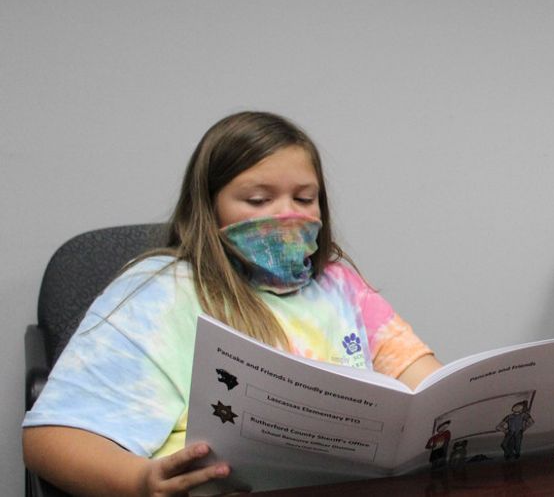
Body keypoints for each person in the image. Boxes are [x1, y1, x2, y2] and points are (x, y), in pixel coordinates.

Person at [22, 111, 443, 496]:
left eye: (303, 198)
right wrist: (139, 480)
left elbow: (427, 390)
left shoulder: (339, 286)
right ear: (209, 207)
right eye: (258, 200)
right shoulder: (159, 294)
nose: (286, 215)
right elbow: (50, 440)